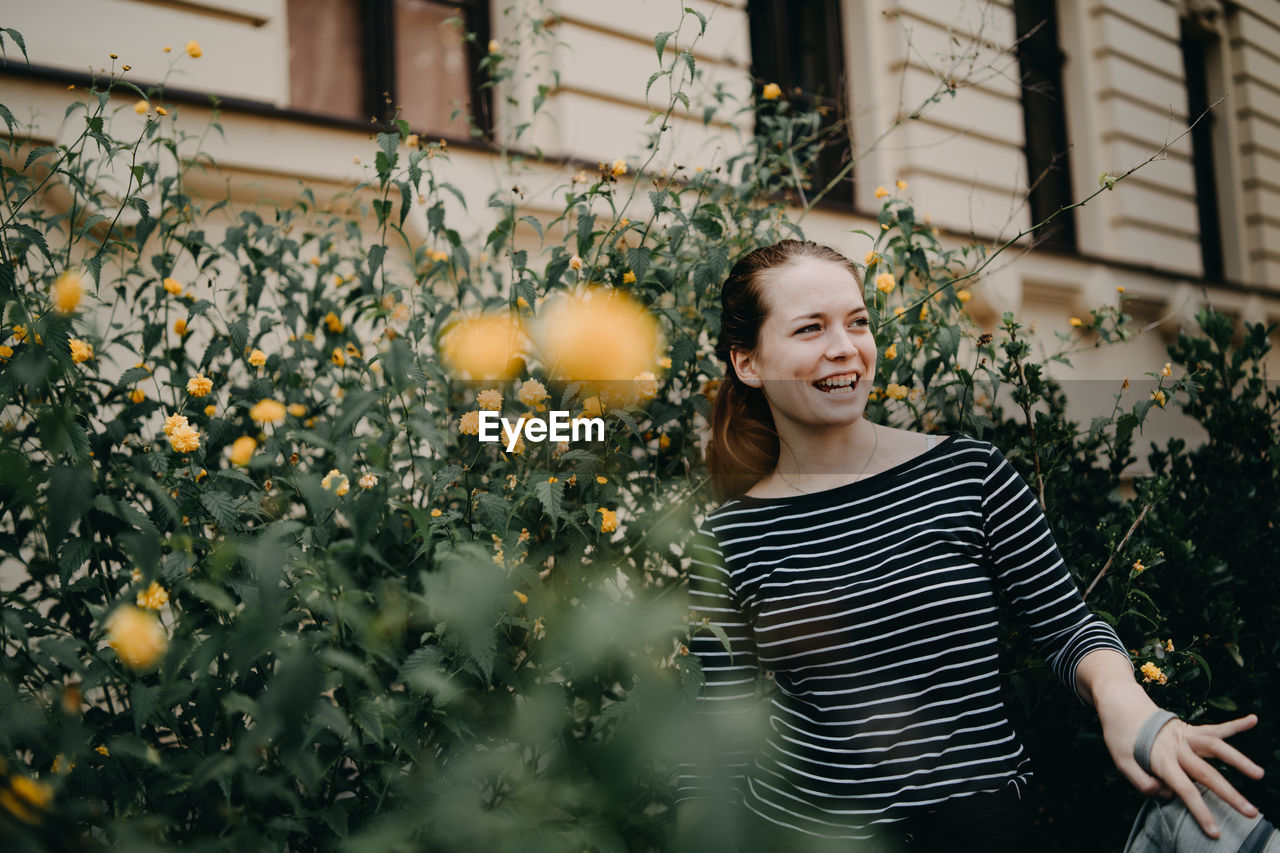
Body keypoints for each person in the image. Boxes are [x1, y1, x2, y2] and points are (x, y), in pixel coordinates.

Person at [674, 240, 1267, 852]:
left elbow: (1068, 630)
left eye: (857, 322)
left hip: (982, 833)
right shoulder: (728, 536)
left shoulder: (968, 472)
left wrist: (1131, 707)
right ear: (747, 363)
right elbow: (720, 735)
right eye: (810, 329)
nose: (845, 347)